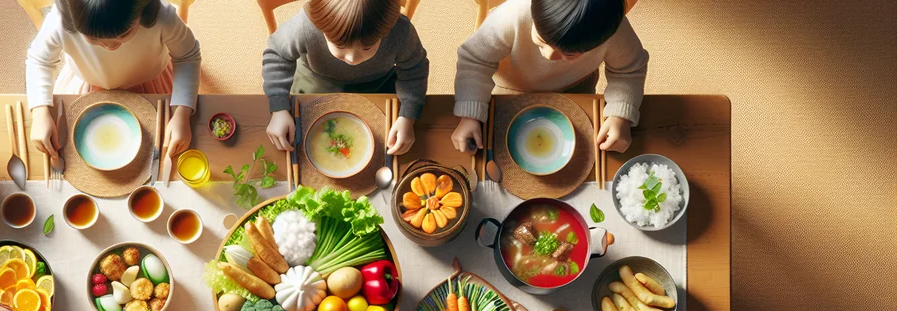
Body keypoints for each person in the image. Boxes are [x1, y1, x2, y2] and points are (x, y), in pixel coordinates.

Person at [451, 0, 648, 154]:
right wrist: (469, 115)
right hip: (510, 85)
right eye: (541, 41)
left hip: (576, 85)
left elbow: (628, 70)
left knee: (583, 146)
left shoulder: (613, 30)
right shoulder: (515, 12)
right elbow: (475, 59)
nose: (550, 56)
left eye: (569, 54)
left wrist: (620, 116)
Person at [26, 0, 200, 162]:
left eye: (123, 34)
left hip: (151, 83)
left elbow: (188, 56)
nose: (110, 46)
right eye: (93, 39)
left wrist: (182, 112)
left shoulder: (163, 18)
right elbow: (39, 60)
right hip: (88, 84)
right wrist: (40, 112)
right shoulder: (60, 21)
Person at [262, 0, 429, 156]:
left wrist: (408, 116)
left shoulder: (400, 31)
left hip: (379, 85)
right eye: (340, 46)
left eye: (367, 47)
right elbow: (278, 54)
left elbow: (414, 68)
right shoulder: (307, 25)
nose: (352, 59)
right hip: (316, 81)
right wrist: (279, 109)